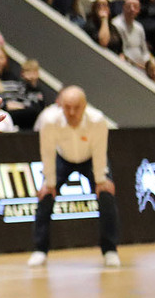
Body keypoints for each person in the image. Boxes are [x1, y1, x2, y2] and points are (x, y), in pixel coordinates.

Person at [28, 87, 117, 268]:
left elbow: (100, 151)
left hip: (90, 158)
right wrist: (49, 182)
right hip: (62, 159)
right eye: (67, 107)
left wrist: (101, 179)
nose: (71, 112)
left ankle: (110, 250)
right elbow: (47, 152)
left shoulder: (97, 120)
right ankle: (40, 250)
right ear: (60, 105)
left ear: (85, 106)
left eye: (76, 108)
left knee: (106, 195)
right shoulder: (49, 121)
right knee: (45, 195)